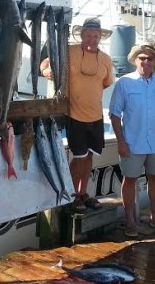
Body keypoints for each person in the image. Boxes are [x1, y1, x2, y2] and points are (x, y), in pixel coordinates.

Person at [41, 17, 113, 213]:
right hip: (74, 115)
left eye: (95, 36)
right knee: (79, 157)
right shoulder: (69, 51)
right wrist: (48, 71)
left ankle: (83, 193)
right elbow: (44, 65)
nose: (92, 39)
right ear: (82, 35)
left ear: (100, 37)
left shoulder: (106, 59)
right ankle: (72, 195)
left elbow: (107, 82)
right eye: (88, 35)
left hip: (96, 116)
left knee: (90, 156)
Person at [109, 44, 155, 237]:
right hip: (131, 143)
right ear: (135, 60)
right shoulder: (124, 83)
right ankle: (130, 220)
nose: (146, 61)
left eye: (149, 58)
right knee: (129, 180)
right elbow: (115, 115)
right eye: (142, 58)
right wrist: (121, 142)